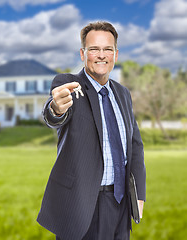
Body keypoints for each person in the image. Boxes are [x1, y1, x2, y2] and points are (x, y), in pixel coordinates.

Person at [37, 21, 146, 240]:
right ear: (82, 53)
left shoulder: (123, 93)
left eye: (107, 49)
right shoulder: (69, 84)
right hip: (83, 206)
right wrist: (56, 108)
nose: (101, 55)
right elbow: (55, 114)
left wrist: (139, 196)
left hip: (121, 204)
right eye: (94, 49)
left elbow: (135, 145)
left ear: (115, 54)